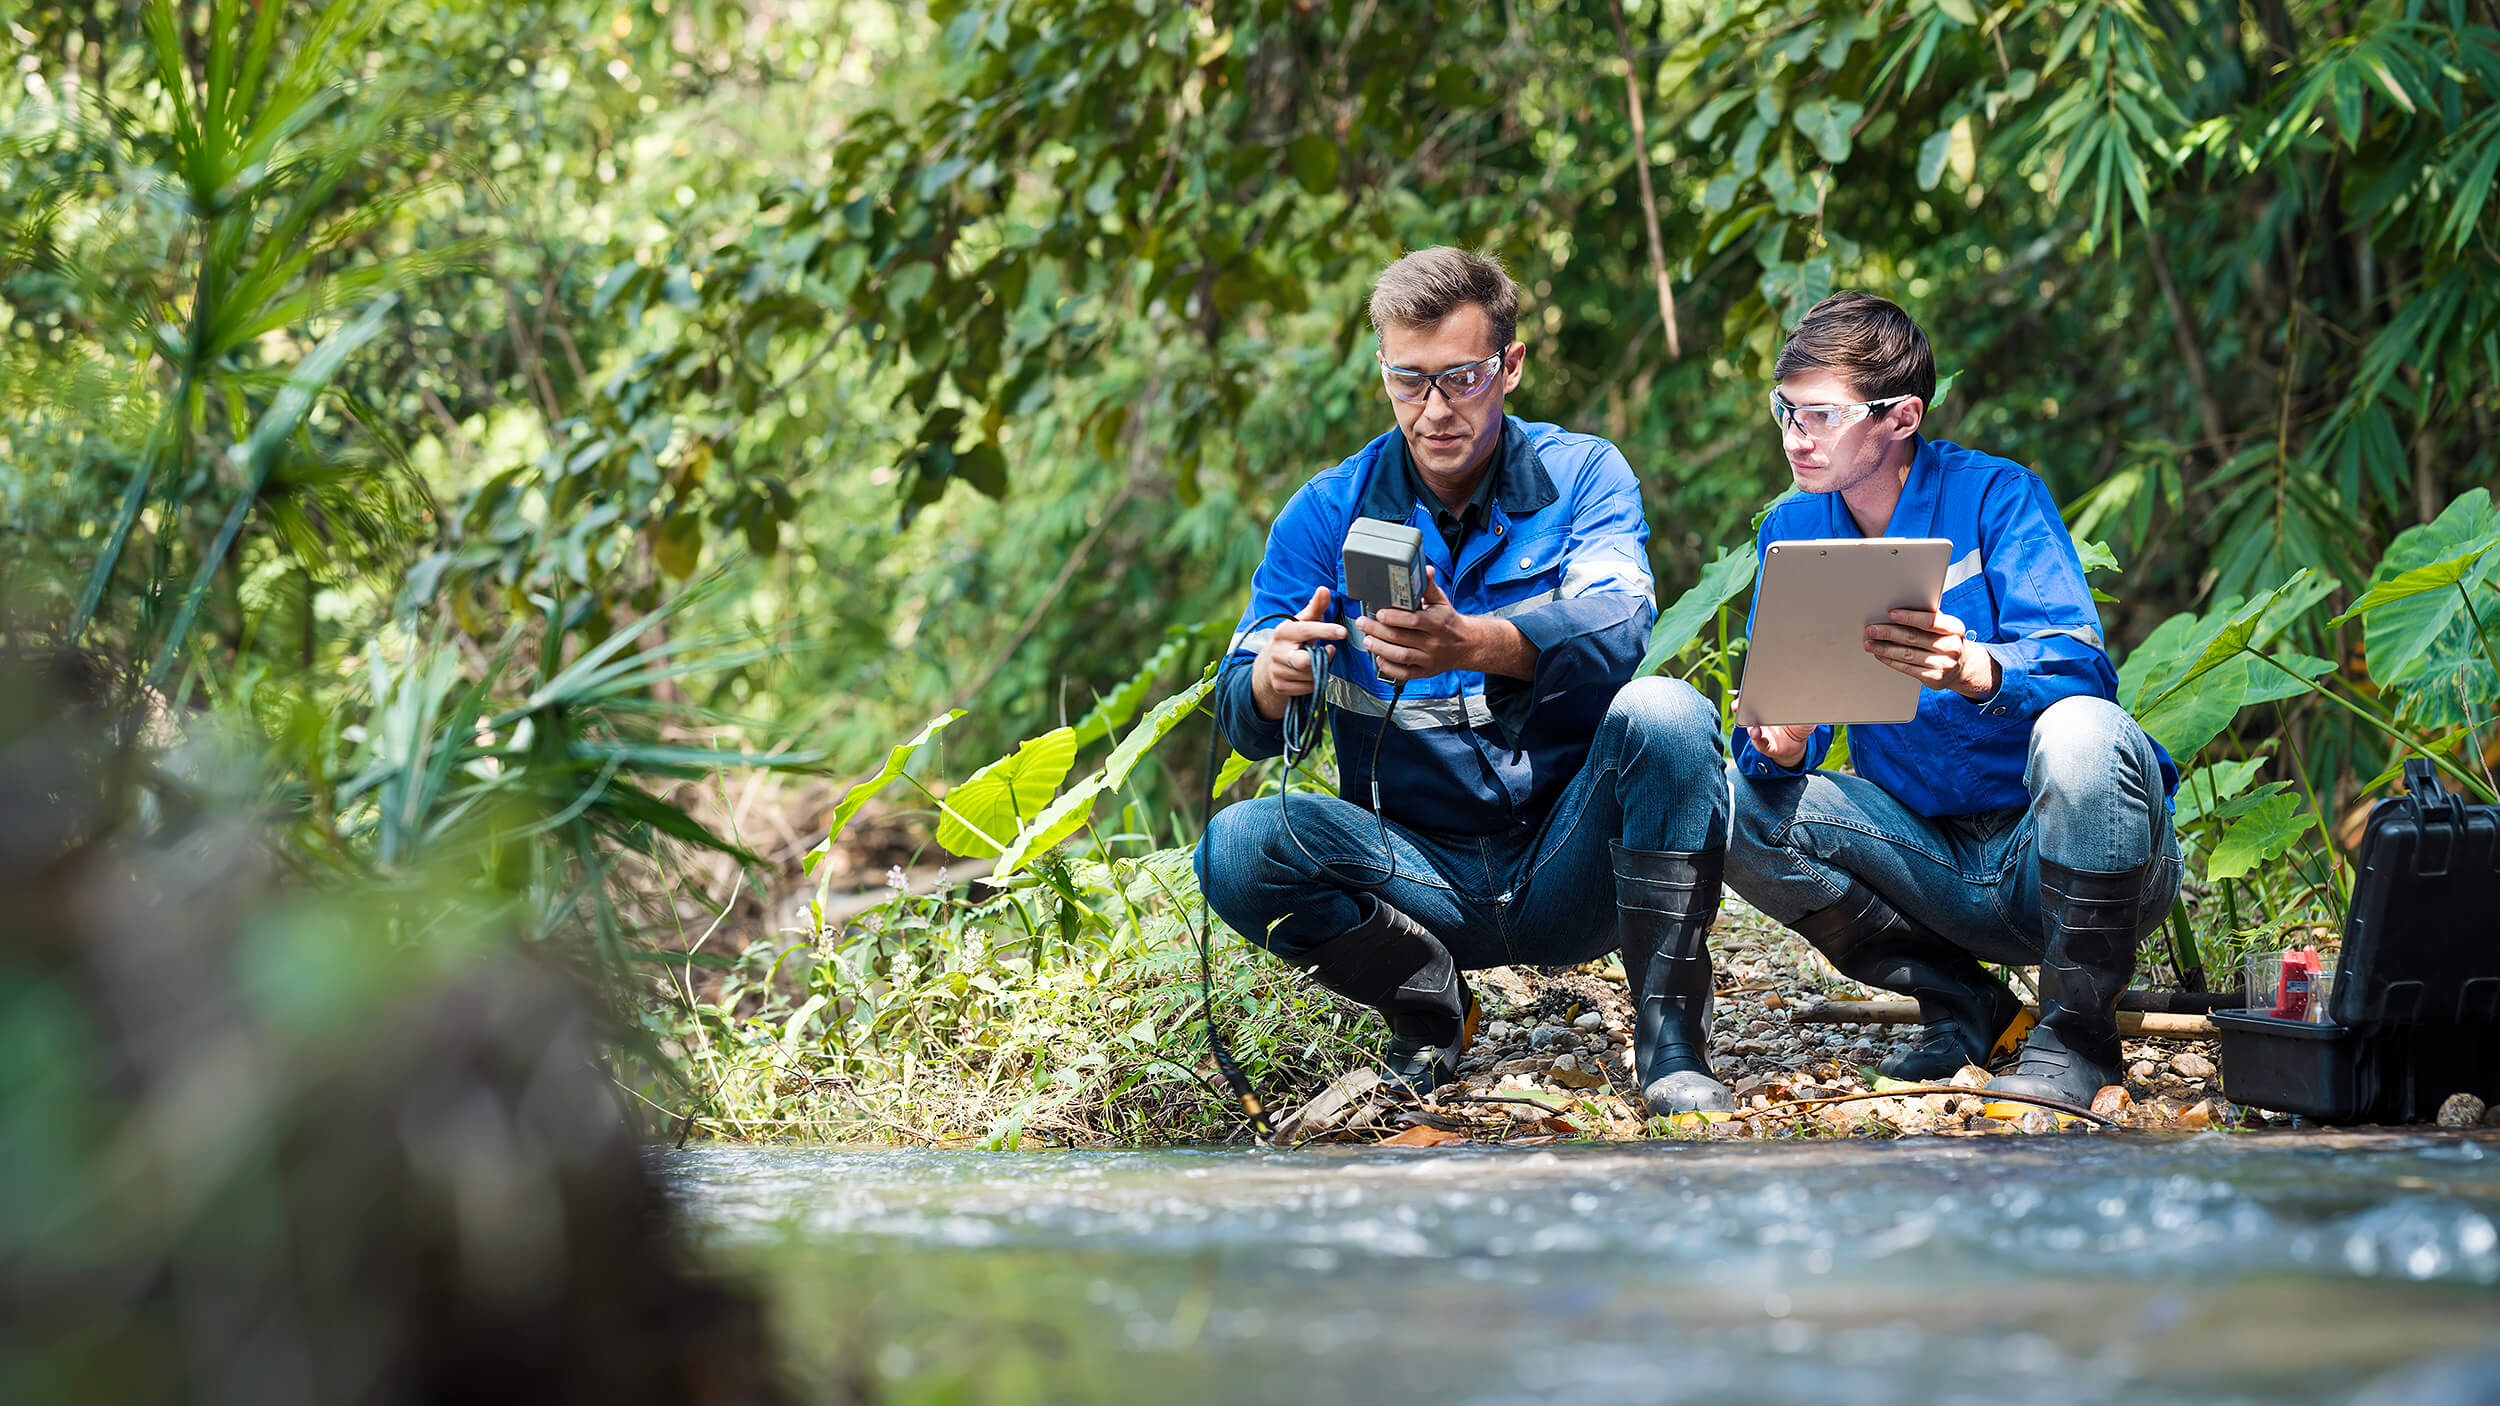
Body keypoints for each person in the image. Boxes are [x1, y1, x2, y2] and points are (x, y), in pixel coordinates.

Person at [1193, 247, 1735, 1115]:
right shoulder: (1328, 510)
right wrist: (1274, 680)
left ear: (1511, 366)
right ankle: (1427, 1004)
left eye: (1462, 379)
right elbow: (1238, 705)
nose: (1435, 410)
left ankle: (1670, 1034)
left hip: (1572, 856)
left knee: (1669, 712)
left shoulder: (1584, 475)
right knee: (1238, 844)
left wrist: (1476, 643)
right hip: (1416, 870)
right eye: (1410, 382)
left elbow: (1624, 628)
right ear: (1382, 370)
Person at [1701, 290, 2181, 1107]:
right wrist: (1780, 741)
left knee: (2083, 731)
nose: (1794, 437)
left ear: (1901, 417)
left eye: (1819, 416)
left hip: (2068, 851)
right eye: (1786, 412)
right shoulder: (1792, 524)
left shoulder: (2000, 498)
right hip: (1930, 861)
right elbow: (1783, 728)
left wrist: (1978, 671)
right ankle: (1967, 1007)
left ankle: (2078, 1038)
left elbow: (2085, 677)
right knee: (1732, 800)